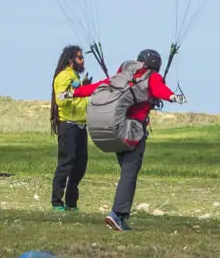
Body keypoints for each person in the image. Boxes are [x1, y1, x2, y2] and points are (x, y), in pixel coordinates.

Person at [74, 48, 176, 232]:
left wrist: (74, 93)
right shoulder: (150, 77)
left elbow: (97, 86)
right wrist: (172, 96)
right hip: (133, 133)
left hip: (117, 130)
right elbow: (159, 89)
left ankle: (120, 214)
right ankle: (117, 214)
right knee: (129, 173)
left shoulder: (122, 77)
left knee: (127, 173)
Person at [50, 44, 91, 212]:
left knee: (80, 165)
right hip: (68, 124)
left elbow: (79, 96)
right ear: (70, 60)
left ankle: (71, 202)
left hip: (81, 124)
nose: (82, 61)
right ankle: (57, 201)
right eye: (80, 58)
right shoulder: (64, 76)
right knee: (66, 163)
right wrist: (76, 89)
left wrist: (84, 87)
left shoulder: (75, 76)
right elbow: (60, 98)